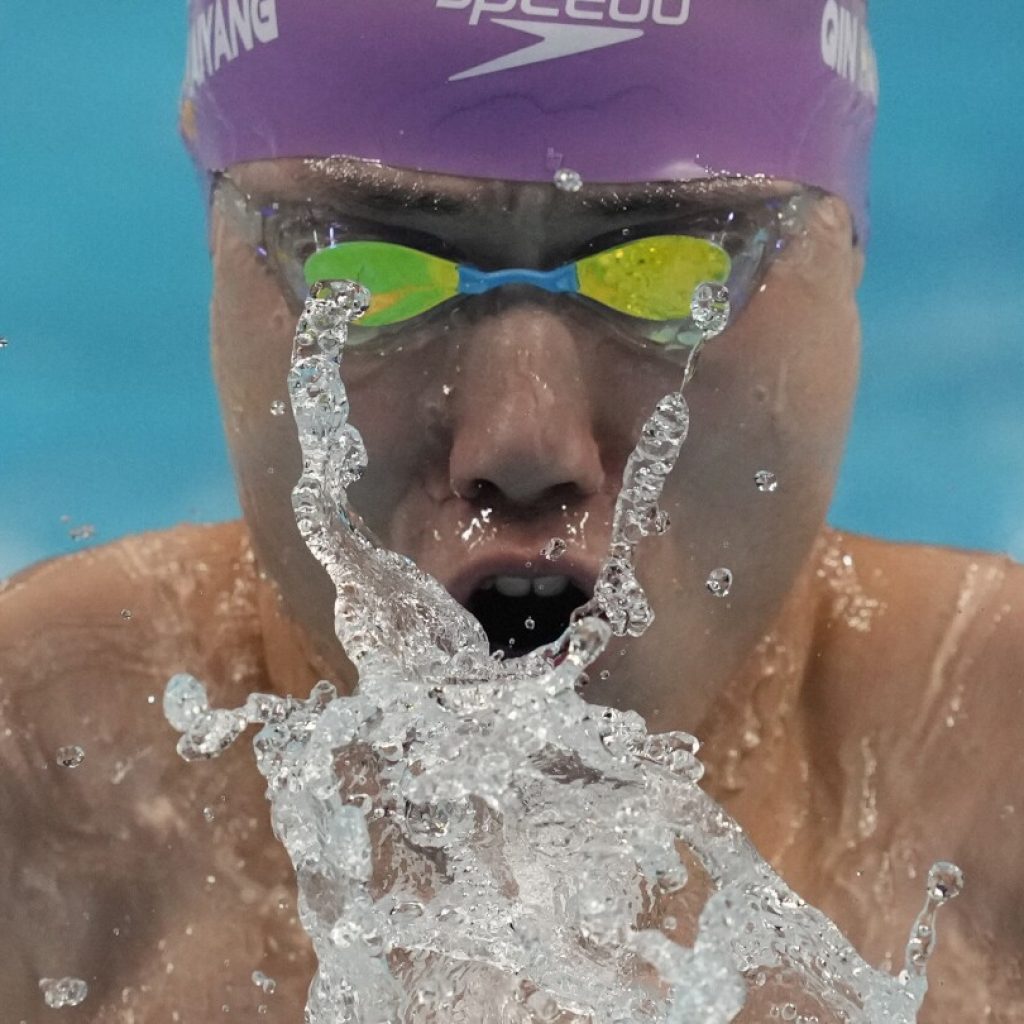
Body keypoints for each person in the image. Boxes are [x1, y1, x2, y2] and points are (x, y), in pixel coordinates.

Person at [1, 1, 1021, 1020]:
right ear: (214, 247)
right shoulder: (31, 805)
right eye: (370, 277)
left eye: (667, 277)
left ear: (849, 256)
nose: (522, 448)